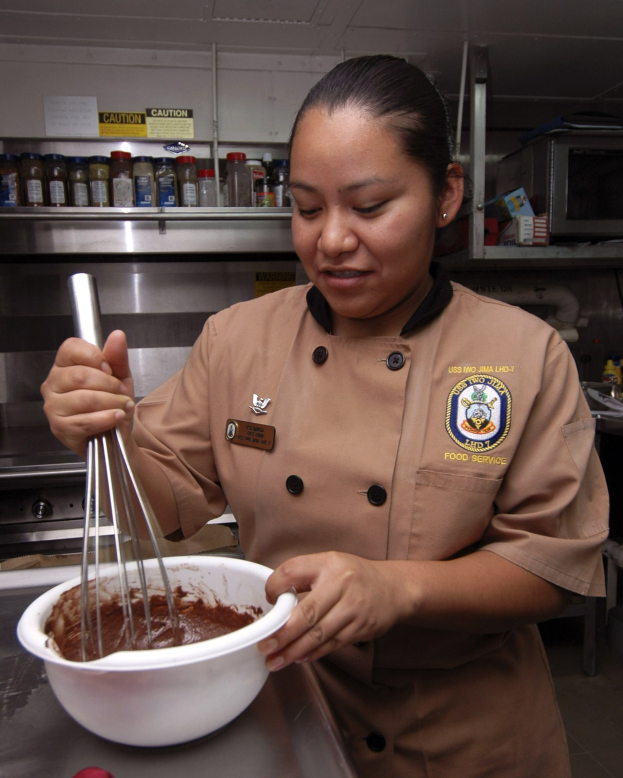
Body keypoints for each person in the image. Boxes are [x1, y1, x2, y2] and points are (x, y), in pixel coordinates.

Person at [42, 55, 608, 777]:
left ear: (446, 194)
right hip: (284, 708)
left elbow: (551, 569)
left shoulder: (522, 354)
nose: (331, 240)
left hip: (465, 735)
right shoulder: (236, 341)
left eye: (368, 207)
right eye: (308, 209)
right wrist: (107, 433)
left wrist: (397, 588)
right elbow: (158, 512)